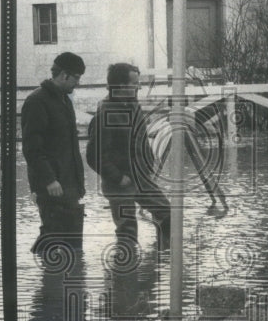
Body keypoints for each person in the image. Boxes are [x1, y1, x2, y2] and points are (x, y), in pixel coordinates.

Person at [86, 62, 171, 249]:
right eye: (134, 83)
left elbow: (141, 138)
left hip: (140, 177)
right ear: (121, 86)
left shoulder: (133, 105)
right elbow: (94, 156)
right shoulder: (105, 113)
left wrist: (148, 162)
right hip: (119, 183)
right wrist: (118, 177)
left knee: (166, 211)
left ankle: (158, 261)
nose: (138, 86)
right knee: (127, 231)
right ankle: (124, 273)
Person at [21, 52, 86, 256]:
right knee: (53, 237)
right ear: (64, 75)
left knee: (73, 245)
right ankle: (42, 280)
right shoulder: (37, 101)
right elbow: (32, 148)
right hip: (51, 187)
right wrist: (49, 180)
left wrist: (78, 183)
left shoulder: (65, 101)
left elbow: (70, 146)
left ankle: (68, 281)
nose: (78, 83)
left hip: (69, 184)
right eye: (76, 77)